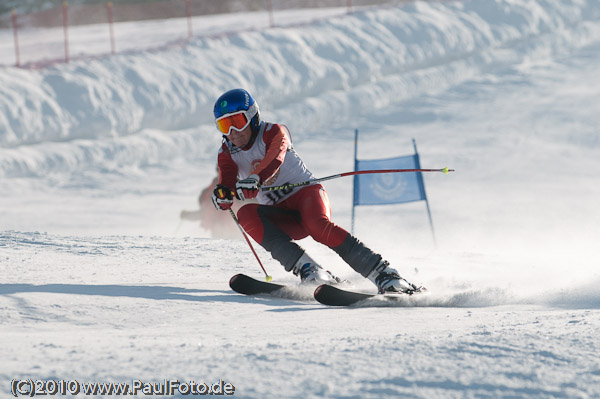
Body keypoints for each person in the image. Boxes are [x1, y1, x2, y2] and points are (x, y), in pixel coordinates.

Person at [210, 88, 419, 294]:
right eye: (224, 125)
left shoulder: (273, 132)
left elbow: (275, 157)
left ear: (253, 117)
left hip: (307, 196)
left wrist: (255, 178)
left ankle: (385, 274)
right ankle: (310, 270)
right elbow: (226, 182)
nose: (232, 133)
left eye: (237, 122)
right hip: (282, 213)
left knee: (317, 226)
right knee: (245, 214)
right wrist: (223, 196)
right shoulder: (227, 151)